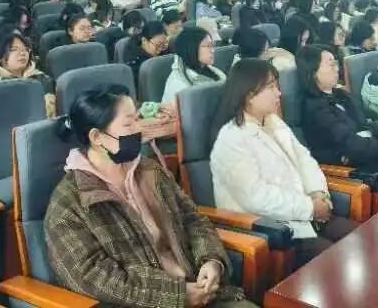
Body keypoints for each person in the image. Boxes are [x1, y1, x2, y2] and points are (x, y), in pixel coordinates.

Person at [44, 85, 250, 307]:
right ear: (97, 137)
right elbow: (92, 276)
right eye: (128, 123)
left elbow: (192, 219)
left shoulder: (149, 170)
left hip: (200, 288)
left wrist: (211, 261)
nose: (139, 129)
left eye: (137, 119)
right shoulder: (69, 203)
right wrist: (177, 296)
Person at [210, 59, 355, 269]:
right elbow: (256, 198)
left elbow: (304, 159)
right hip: (271, 230)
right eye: (271, 87)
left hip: (305, 214)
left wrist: (318, 193)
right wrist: (310, 208)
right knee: (337, 261)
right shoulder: (231, 140)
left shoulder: (272, 121)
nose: (279, 93)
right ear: (249, 95)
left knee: (360, 239)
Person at [298, 44, 378, 197]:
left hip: (375, 159)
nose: (337, 69)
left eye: (336, 63)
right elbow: (351, 144)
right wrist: (376, 142)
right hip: (360, 173)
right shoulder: (313, 107)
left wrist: (366, 135)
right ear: (313, 72)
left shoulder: (342, 95)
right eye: (331, 64)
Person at [0, 29, 55, 117]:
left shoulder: (42, 78)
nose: (22, 53)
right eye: (14, 49)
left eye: (25, 49)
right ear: (0, 56)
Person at [161, 27, 225, 104]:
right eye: (208, 46)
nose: (212, 50)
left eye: (212, 45)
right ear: (192, 49)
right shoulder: (179, 85)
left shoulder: (209, 69)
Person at [125, 21, 168, 87]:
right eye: (158, 45)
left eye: (163, 45)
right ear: (144, 40)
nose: (160, 50)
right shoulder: (133, 60)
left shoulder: (164, 52)